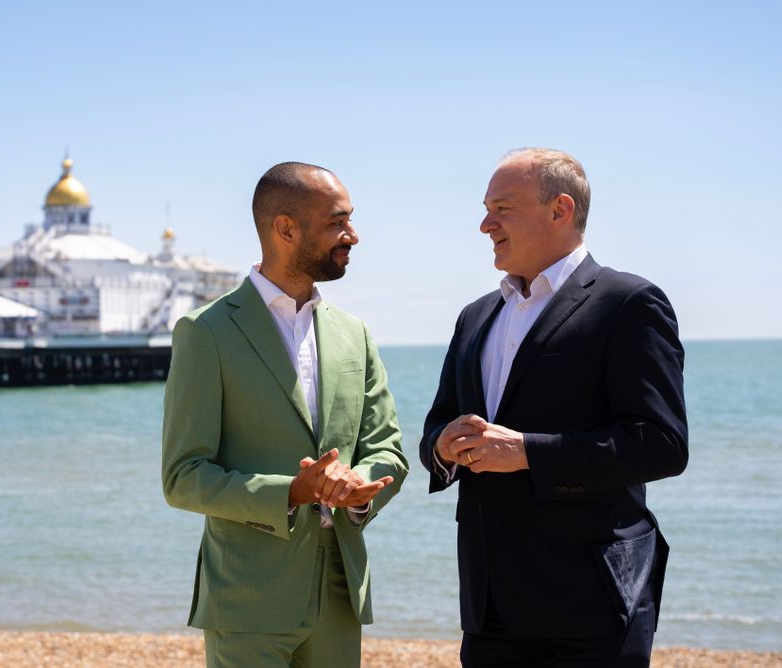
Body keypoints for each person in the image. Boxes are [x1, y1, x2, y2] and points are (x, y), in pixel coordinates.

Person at [419, 148, 688, 667]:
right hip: (488, 604)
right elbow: (438, 423)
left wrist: (527, 452)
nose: (484, 224)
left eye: (502, 208)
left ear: (560, 210)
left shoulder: (629, 303)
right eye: (485, 208)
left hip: (592, 604)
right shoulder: (475, 317)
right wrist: (444, 445)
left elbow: (661, 444)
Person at [162, 161, 408, 668]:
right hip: (247, 599)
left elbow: (388, 449)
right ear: (286, 229)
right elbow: (183, 478)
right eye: (337, 222)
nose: (353, 236)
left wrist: (358, 487)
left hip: (341, 594)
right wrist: (291, 492)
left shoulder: (354, 333)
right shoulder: (205, 332)